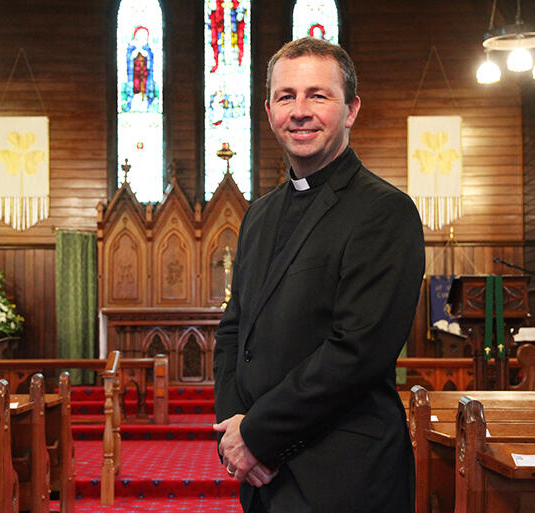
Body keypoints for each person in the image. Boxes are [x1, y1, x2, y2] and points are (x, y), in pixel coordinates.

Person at [213, 37, 425, 513]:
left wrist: (257, 433)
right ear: (269, 112)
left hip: (344, 473)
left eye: (318, 95)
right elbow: (233, 330)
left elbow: (357, 351)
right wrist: (235, 431)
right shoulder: (260, 215)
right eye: (286, 97)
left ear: (350, 110)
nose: (300, 110)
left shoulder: (385, 211)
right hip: (263, 475)